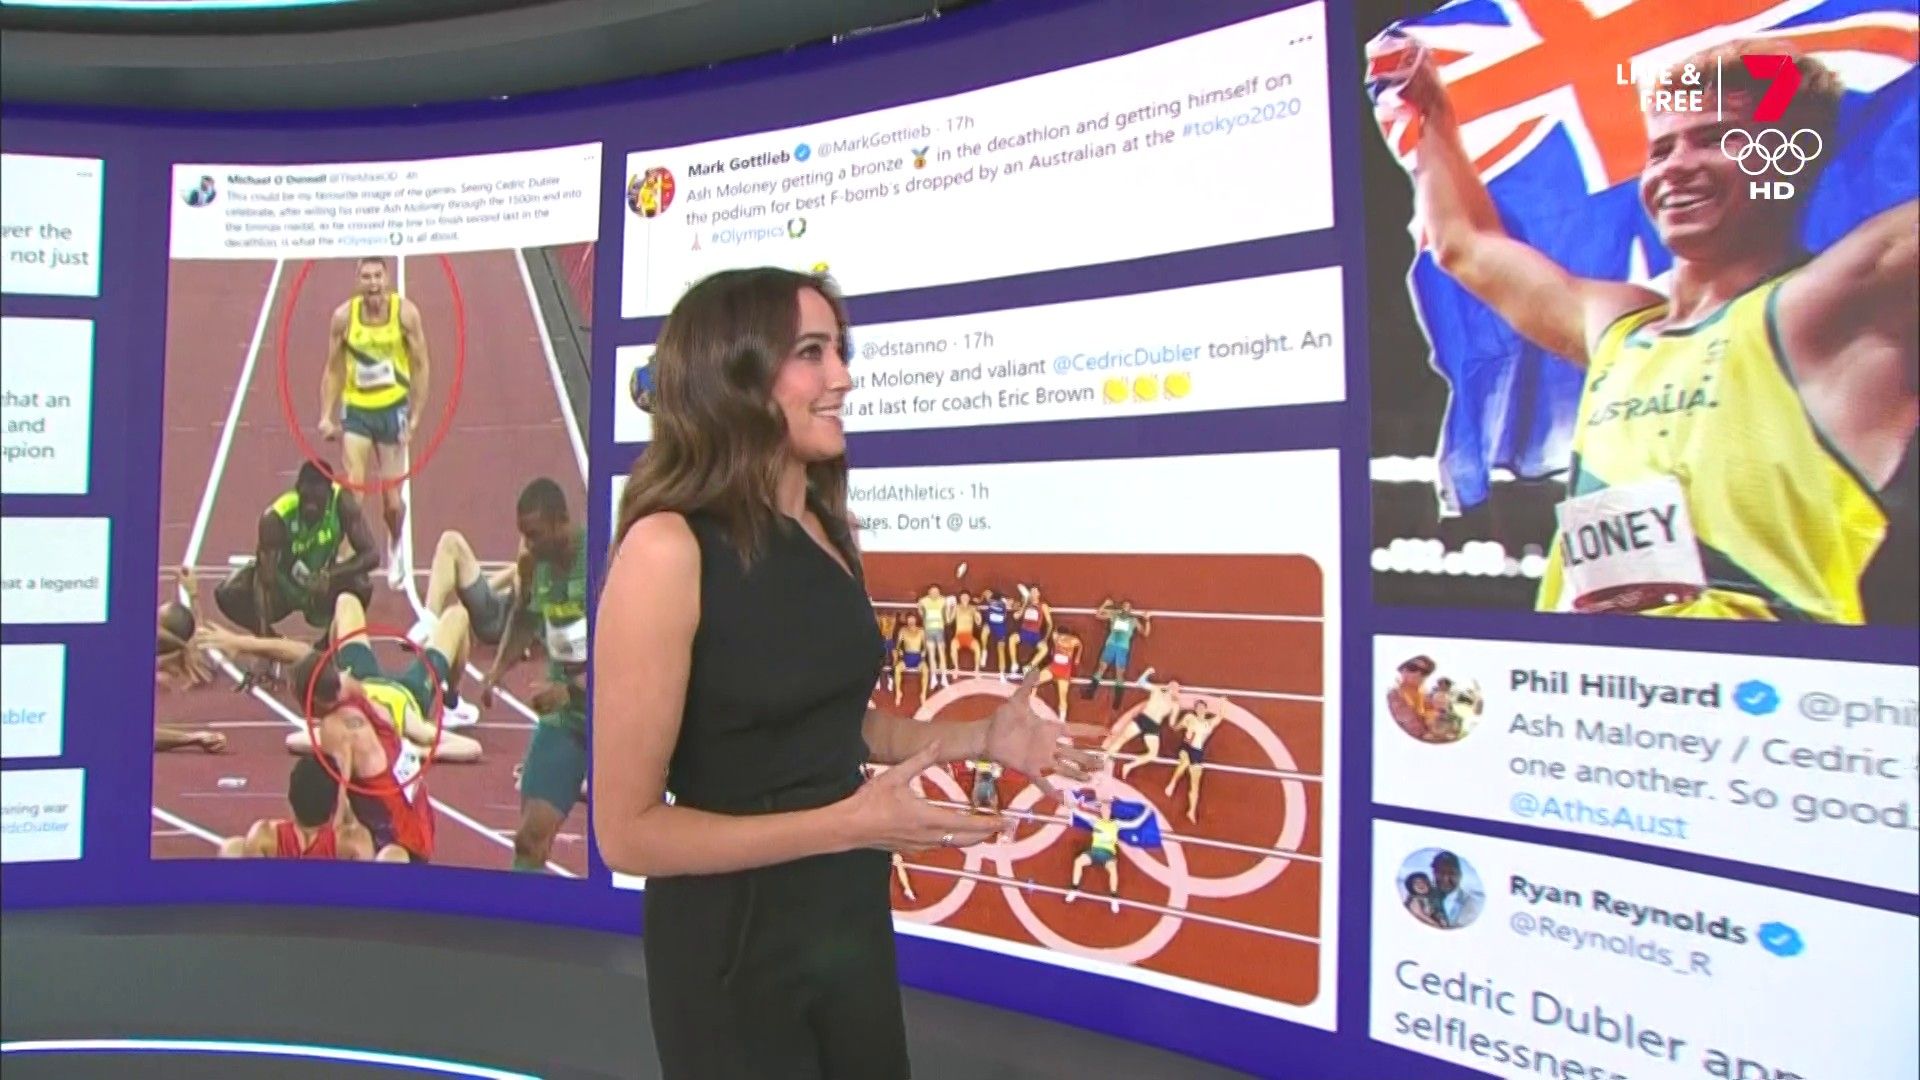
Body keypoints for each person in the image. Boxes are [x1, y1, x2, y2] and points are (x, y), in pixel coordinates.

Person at [593, 266, 1105, 1080]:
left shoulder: (829, 526)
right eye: (811, 353)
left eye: (839, 350)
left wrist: (982, 737)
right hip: (732, 949)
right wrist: (846, 825)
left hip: (845, 921)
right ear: (737, 375)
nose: (842, 377)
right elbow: (628, 833)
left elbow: (829, 723)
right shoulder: (667, 550)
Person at [1388, 38, 1917, 624]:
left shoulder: (1827, 309)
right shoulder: (1618, 329)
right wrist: (1430, 111)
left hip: (1752, 675)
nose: (1676, 167)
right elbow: (1464, 245)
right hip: (1587, 672)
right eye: (1662, 149)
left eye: (1716, 139)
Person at [198, 591, 483, 761]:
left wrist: (240, 642)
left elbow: (296, 740)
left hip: (365, 678)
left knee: (347, 601)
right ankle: (452, 702)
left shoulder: (343, 692)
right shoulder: (399, 723)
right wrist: (415, 752)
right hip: (410, 692)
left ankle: (452, 701)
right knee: (458, 616)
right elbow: (471, 748)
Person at [470, 478, 591, 873]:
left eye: (535, 534)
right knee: (529, 840)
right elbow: (524, 616)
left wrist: (571, 691)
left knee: (621, 855)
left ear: (561, 520)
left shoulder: (600, 557)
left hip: (616, 724)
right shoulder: (533, 564)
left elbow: (629, 651)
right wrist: (497, 669)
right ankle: (524, 908)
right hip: (565, 723)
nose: (528, 544)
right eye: (524, 534)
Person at [319, 255, 432, 591]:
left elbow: (421, 365)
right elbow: (333, 368)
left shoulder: (405, 314)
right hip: (357, 411)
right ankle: (345, 558)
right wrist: (326, 414)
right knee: (353, 493)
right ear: (358, 282)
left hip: (392, 411)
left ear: (387, 279)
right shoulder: (343, 317)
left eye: (377, 277)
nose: (372, 284)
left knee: (392, 502)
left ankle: (395, 543)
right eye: (366, 277)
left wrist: (415, 416)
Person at [286, 637, 438, 864]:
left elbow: (339, 794)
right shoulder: (349, 686)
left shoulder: (333, 727)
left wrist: (326, 844)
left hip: (391, 822)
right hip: (418, 809)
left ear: (313, 698)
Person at [213, 462, 379, 663]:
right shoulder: (275, 517)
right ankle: (274, 641)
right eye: (305, 500)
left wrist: (330, 575)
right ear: (297, 490)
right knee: (229, 592)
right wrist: (265, 644)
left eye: (317, 502)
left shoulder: (342, 502)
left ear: (329, 494)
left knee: (361, 585)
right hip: (283, 589)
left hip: (320, 589)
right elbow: (264, 582)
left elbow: (371, 554)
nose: (310, 507)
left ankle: (324, 648)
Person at [218, 754, 405, 862]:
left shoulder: (264, 834)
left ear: (291, 797)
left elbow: (253, 881)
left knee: (233, 847)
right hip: (333, 908)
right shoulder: (352, 842)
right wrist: (345, 807)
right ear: (334, 804)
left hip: (279, 905)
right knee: (395, 855)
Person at [419, 528, 531, 659]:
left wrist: (520, 641)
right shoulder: (525, 568)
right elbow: (514, 571)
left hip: (497, 622)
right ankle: (429, 623)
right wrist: (475, 592)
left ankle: (431, 629)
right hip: (495, 605)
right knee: (450, 541)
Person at [152, 566, 229, 754]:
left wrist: (191, 738)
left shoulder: (154, 673)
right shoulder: (196, 662)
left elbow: (137, 733)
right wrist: (193, 595)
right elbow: (197, 635)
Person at [1063, 794, 1153, 914]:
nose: (1106, 811)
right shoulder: (1095, 821)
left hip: (1108, 855)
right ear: (1101, 811)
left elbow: (1134, 824)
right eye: (1104, 809)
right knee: (1078, 861)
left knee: (1113, 869)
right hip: (1094, 852)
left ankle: (1114, 898)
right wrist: (1070, 803)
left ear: (1110, 812)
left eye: (1108, 809)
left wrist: (1146, 812)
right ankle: (1074, 889)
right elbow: (1077, 812)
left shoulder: (1116, 824)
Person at [1103, 669, 1173, 780]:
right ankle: (1103, 759)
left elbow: (1172, 723)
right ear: (1167, 686)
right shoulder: (1157, 690)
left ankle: (1129, 766)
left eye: (1177, 688)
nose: (1174, 688)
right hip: (1144, 718)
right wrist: (1147, 672)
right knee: (1122, 738)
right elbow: (1141, 682)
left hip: (1154, 726)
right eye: (1172, 686)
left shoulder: (1174, 704)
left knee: (1153, 754)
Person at [1163, 698, 1223, 822]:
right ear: (1195, 710)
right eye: (1198, 708)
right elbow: (1177, 727)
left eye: (1202, 707)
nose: (1200, 710)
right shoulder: (1190, 717)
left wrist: (1224, 703)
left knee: (1195, 784)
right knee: (1184, 762)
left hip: (1197, 752)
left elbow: (1220, 716)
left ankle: (1191, 811)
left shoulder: (1209, 723)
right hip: (1186, 747)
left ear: (1205, 709)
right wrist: (1183, 726)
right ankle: (1172, 784)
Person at [1083, 598, 1151, 706]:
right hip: (1110, 646)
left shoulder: (1133, 621)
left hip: (1122, 649)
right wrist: (1104, 604)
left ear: (1130, 609)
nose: (1125, 608)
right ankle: (1090, 692)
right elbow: (1098, 615)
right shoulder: (1114, 615)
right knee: (1101, 668)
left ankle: (1117, 699)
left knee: (1120, 673)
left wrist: (1147, 620)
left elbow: (1145, 633)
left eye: (1128, 607)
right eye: (1124, 606)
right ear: (1121, 608)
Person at [1043, 626, 1083, 722]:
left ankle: (1062, 719)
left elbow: (1080, 645)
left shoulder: (1073, 640)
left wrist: (1077, 657)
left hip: (1064, 672)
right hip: (1053, 668)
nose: (1062, 639)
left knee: (1063, 696)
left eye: (1064, 636)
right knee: (1034, 681)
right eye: (1061, 636)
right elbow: (1053, 632)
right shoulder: (1056, 636)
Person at [890, 611, 929, 709]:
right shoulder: (903, 630)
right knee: (897, 669)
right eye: (909, 619)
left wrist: (924, 651)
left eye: (913, 619)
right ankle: (898, 693)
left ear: (916, 620)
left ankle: (923, 694)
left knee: (925, 670)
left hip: (918, 657)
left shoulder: (921, 631)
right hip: (907, 657)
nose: (911, 621)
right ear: (907, 620)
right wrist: (899, 650)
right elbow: (898, 645)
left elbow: (925, 646)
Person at [916, 585, 952, 689]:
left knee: (941, 654)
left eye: (936, 592)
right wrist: (920, 609)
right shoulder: (924, 601)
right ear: (929, 592)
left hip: (939, 630)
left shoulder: (943, 600)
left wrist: (949, 607)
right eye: (932, 592)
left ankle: (944, 678)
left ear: (939, 593)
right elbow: (921, 613)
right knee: (931, 655)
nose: (934, 594)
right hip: (929, 631)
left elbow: (947, 618)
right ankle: (933, 678)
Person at [1011, 586, 1052, 671]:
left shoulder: (1043, 605)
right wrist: (1025, 604)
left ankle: (1029, 667)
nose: (1033, 594)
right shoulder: (1026, 604)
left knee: (1044, 649)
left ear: (1039, 594)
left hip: (1035, 635)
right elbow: (1016, 617)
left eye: (1035, 592)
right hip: (1024, 633)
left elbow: (1050, 624)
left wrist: (1045, 639)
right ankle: (1014, 664)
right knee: (1012, 638)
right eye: (1031, 592)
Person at [979, 588, 1013, 677]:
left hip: (1000, 627)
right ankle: (984, 652)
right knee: (985, 629)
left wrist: (1010, 603)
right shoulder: (988, 600)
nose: (987, 595)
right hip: (990, 624)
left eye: (988, 594)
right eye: (986, 594)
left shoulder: (1003, 601)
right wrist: (980, 600)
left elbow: (1012, 603)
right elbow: (983, 597)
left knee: (1001, 649)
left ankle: (1002, 674)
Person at [948, 590, 983, 675]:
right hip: (958, 636)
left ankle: (977, 670)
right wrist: (949, 608)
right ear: (960, 598)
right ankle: (956, 668)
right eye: (963, 597)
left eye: (966, 597)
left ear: (969, 598)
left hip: (969, 636)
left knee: (977, 648)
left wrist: (979, 616)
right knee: (953, 645)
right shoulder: (956, 607)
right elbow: (950, 620)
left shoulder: (972, 608)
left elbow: (978, 623)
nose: (964, 598)